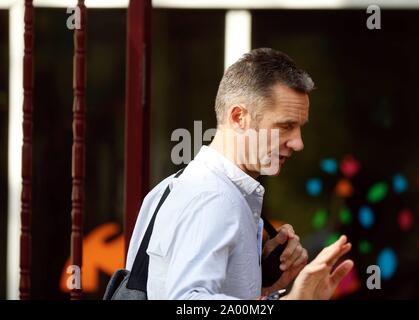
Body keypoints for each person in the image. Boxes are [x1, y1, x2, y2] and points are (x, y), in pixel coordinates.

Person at [126, 47, 353, 300]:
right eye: (285, 126)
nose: (298, 143)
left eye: (299, 128)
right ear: (238, 117)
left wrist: (264, 285)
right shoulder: (214, 198)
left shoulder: (170, 188)